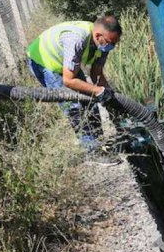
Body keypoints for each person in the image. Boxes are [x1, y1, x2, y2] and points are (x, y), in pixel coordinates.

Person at [26, 15, 121, 166]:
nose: (111, 47)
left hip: (64, 63)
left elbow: (96, 73)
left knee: (91, 101)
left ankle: (98, 143)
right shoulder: (77, 39)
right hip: (45, 62)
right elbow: (68, 80)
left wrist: (108, 94)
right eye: (110, 43)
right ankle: (92, 151)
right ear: (97, 36)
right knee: (74, 107)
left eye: (115, 44)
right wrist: (98, 91)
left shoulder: (104, 41)